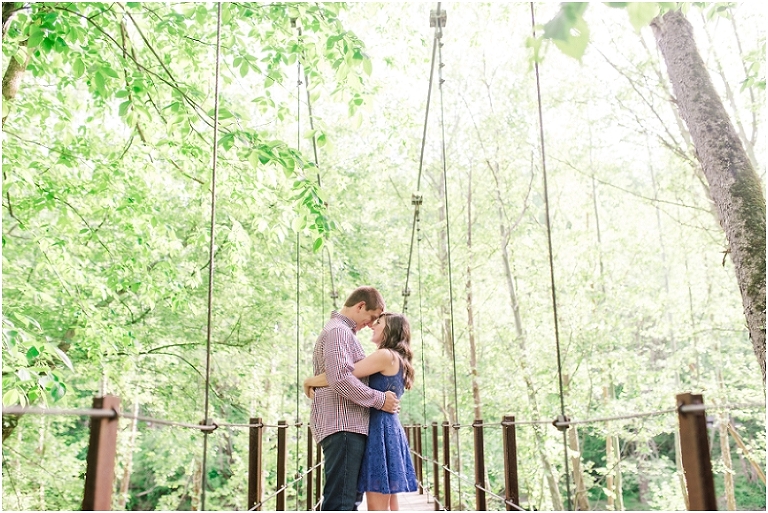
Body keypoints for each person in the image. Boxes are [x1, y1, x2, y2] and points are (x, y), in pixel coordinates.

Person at [306, 312, 418, 511]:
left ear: (389, 329)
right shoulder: (396, 358)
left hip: (380, 431)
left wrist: (310, 381)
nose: (372, 326)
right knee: (389, 504)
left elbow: (341, 375)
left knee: (377, 508)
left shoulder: (385, 355)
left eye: (378, 322)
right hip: (388, 428)